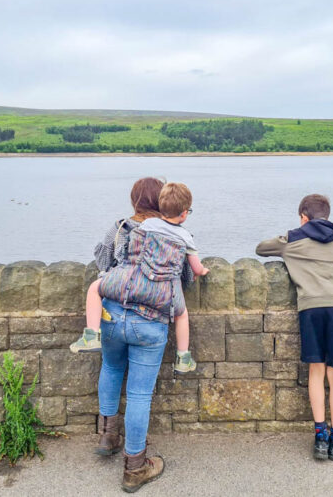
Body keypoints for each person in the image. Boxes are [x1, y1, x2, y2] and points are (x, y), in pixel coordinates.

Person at [96, 182, 207, 492]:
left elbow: (103, 264)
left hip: (113, 310)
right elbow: (186, 278)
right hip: (151, 320)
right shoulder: (175, 236)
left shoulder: (122, 228)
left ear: (134, 201)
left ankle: (107, 436)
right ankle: (135, 467)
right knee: (140, 394)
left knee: (111, 368)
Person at [255, 194, 333, 462]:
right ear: (328, 216)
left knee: (316, 372)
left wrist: (289, 236)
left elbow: (261, 249)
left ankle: (320, 437)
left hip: (310, 308)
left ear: (303, 217)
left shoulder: (293, 240)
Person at [70, 182, 207, 374]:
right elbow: (190, 274)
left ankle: (91, 334)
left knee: (95, 289)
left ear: (135, 202)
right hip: (156, 309)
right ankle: (183, 356)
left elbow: (104, 261)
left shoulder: (128, 226)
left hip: (120, 300)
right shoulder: (184, 236)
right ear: (184, 212)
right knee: (181, 314)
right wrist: (201, 271)